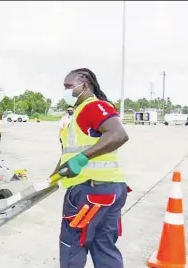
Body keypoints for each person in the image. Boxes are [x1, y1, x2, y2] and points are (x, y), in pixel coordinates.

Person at [50, 68, 130, 268]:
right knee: (103, 245)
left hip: (89, 192)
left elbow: (119, 135)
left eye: (68, 86)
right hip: (108, 191)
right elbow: (70, 153)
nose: (65, 91)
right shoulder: (79, 113)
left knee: (72, 246)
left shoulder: (92, 106)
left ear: (83, 84)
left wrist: (80, 160)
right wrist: (53, 178)